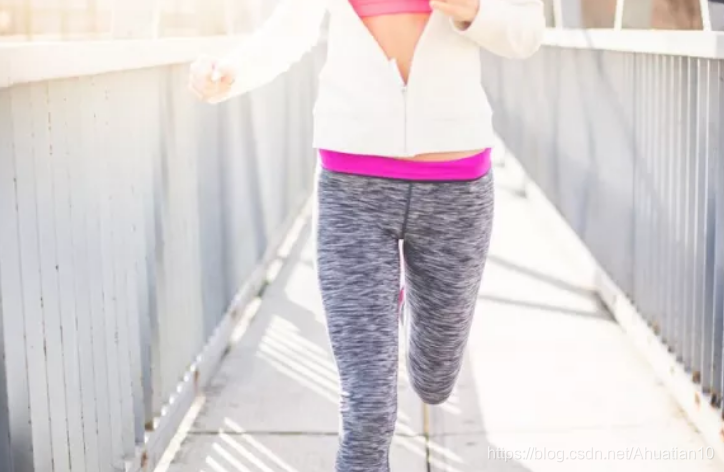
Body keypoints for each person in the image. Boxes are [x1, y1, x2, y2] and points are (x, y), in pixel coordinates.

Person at [189, 0, 544, 470]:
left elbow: (528, 30)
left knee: (435, 378)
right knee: (368, 406)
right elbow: (290, 28)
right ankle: (380, 303)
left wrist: (473, 9)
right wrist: (232, 71)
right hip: (351, 186)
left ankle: (405, 305)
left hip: (454, 190)